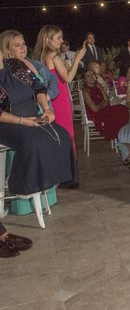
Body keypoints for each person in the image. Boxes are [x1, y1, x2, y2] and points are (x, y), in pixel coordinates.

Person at [0, 51, 77, 228]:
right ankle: (23, 186)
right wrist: (22, 121)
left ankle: (48, 180)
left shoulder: (14, 64)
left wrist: (46, 109)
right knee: (33, 142)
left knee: (62, 136)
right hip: (7, 122)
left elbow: (38, 88)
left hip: (33, 116)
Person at [38, 25, 86, 155]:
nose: (61, 41)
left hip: (53, 97)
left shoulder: (43, 56)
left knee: (57, 132)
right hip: (60, 96)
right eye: (58, 37)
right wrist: (77, 58)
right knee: (67, 131)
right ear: (48, 39)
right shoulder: (53, 55)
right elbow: (68, 78)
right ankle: (69, 164)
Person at [0, 30, 58, 101]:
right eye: (17, 45)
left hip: (46, 110)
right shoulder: (5, 71)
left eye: (23, 43)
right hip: (24, 111)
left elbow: (52, 78)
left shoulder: (36, 64)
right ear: (7, 49)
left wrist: (49, 95)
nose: (23, 47)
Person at [81, 70, 129, 140]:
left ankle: (121, 134)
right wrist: (103, 103)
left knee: (123, 109)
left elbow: (107, 101)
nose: (91, 77)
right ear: (85, 79)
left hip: (104, 110)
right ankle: (119, 135)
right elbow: (95, 109)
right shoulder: (86, 91)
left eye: (92, 75)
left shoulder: (98, 85)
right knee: (120, 110)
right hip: (95, 114)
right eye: (88, 76)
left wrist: (102, 104)